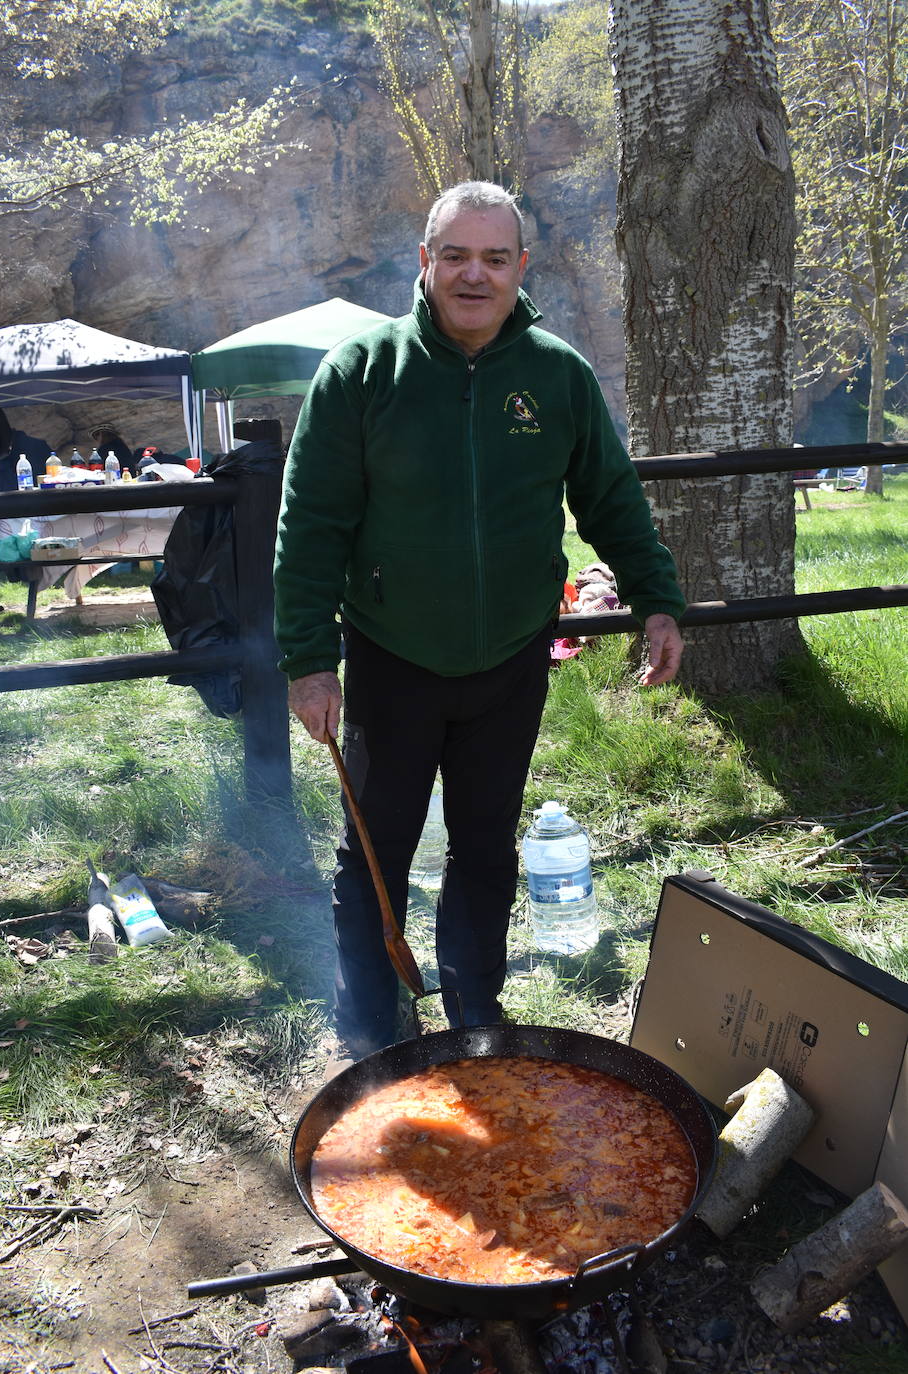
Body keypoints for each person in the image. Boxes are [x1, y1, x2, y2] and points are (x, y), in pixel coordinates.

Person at [273, 181, 685, 1066]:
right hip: (392, 655)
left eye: (495, 258)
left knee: (486, 842)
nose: (475, 275)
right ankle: (370, 1025)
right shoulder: (362, 372)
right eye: (456, 255)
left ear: (520, 268)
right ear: (426, 262)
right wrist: (308, 660)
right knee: (374, 849)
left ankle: (473, 1009)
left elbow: (611, 499)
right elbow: (310, 526)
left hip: (511, 657)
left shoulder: (557, 374)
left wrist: (657, 599)